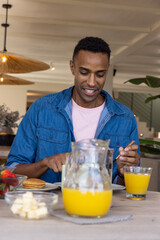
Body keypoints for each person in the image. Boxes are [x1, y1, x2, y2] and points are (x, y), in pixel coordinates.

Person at [6, 37, 140, 184]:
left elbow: (127, 186)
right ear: (72, 67)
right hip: (49, 205)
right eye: (84, 72)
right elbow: (12, 170)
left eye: (100, 74)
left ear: (107, 71)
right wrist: (45, 163)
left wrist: (123, 173)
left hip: (102, 205)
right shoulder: (41, 109)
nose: (91, 82)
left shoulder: (125, 118)